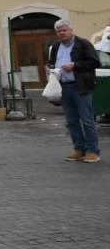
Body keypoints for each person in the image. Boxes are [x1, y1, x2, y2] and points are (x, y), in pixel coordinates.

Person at [47, 19, 100, 163]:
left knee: (87, 120)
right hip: (63, 87)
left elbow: (95, 62)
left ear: (71, 30)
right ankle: (79, 149)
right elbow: (51, 62)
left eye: (64, 30)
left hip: (80, 86)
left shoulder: (83, 44)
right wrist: (51, 68)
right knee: (71, 121)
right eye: (59, 31)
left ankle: (92, 151)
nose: (61, 33)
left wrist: (74, 65)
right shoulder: (56, 46)